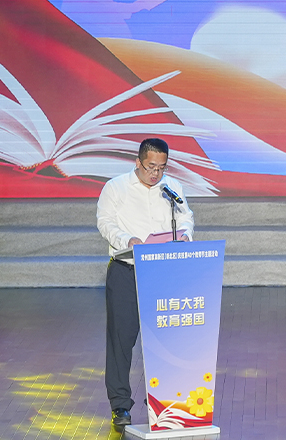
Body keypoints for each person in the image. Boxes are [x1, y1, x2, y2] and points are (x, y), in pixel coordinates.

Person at [96, 138, 195, 427]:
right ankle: (120, 406)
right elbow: (105, 222)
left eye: (162, 167)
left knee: (165, 340)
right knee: (121, 340)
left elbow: (186, 216)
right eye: (151, 167)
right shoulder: (116, 187)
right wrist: (127, 240)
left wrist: (185, 234)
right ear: (138, 162)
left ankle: (164, 403)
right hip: (126, 271)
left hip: (163, 272)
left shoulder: (172, 188)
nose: (156, 173)